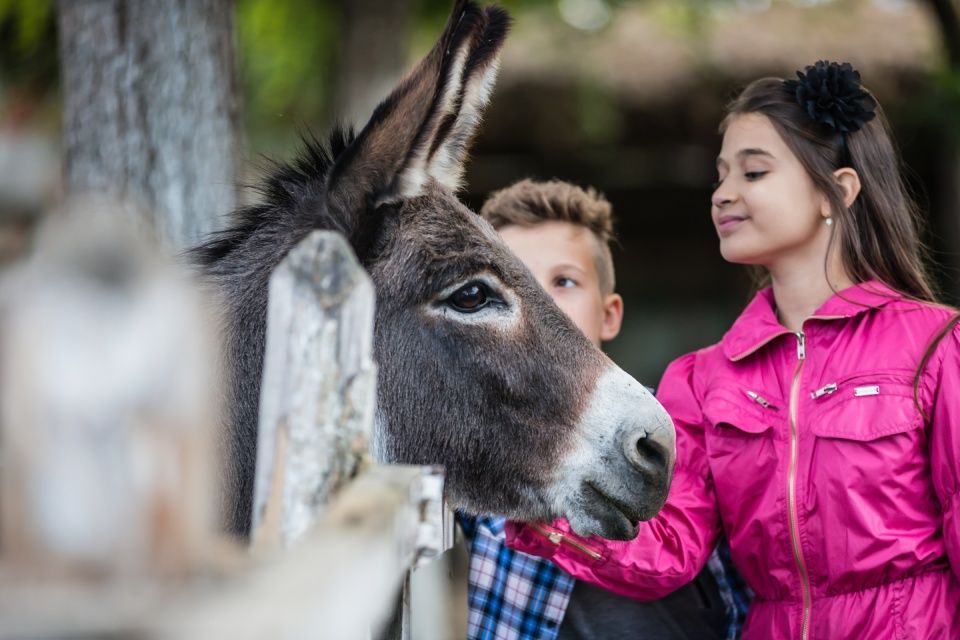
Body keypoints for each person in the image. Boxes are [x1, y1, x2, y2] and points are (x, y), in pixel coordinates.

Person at [507, 61, 960, 638]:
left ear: (837, 192)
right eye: (721, 175)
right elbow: (668, 550)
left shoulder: (937, 347)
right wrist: (535, 494)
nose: (723, 194)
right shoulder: (701, 379)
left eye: (753, 172)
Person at [459, 179, 748, 640]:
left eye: (564, 282)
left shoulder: (671, 424)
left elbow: (671, 552)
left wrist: (537, 501)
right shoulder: (465, 435)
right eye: (516, 285)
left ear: (610, 314)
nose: (541, 307)